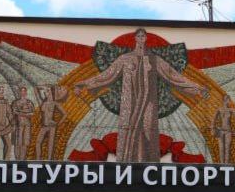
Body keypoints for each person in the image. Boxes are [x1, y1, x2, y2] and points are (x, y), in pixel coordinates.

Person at [73, 28, 208, 163]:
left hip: (149, 101)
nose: (141, 38)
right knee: (128, 130)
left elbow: (174, 77)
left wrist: (197, 88)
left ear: (146, 38)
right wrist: (84, 84)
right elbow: (107, 76)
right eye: (139, 35)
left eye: (143, 36)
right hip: (129, 102)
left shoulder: (154, 60)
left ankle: (149, 164)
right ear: (135, 38)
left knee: (149, 129)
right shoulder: (125, 59)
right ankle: (126, 162)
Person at [34, 85, 66, 160]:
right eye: (45, 91)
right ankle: (38, 159)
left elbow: (65, 114)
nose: (46, 92)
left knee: (50, 144)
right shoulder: (42, 102)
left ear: (51, 92)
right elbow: (35, 89)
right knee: (38, 142)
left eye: (48, 91)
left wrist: (58, 124)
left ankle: (49, 160)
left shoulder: (55, 103)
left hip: (52, 126)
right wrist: (44, 87)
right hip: (44, 125)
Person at [212, 95, 235, 164]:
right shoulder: (219, 109)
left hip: (228, 131)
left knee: (227, 148)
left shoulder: (231, 110)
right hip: (220, 131)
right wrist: (213, 128)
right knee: (221, 149)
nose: (229, 101)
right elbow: (213, 119)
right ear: (225, 100)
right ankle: (222, 163)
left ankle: (226, 164)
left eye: (229, 99)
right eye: (228, 99)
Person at [11, 86, 35, 160]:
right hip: (18, 124)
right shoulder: (15, 102)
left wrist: (21, 113)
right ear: (19, 92)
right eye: (21, 91)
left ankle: (22, 159)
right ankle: (17, 159)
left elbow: (32, 113)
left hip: (27, 125)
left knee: (25, 143)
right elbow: (14, 112)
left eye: (24, 91)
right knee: (18, 142)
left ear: (26, 92)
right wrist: (25, 113)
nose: (23, 93)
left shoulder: (29, 102)